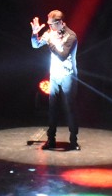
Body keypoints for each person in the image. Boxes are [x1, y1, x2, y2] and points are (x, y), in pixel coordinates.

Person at [30, 10, 79, 151]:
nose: (49, 26)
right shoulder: (50, 33)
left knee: (69, 108)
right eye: (49, 24)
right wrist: (34, 34)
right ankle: (51, 140)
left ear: (60, 23)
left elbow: (63, 56)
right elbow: (35, 45)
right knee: (52, 108)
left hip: (68, 75)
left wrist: (50, 41)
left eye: (52, 24)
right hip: (55, 75)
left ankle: (73, 141)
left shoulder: (71, 36)